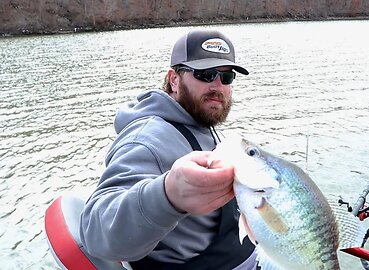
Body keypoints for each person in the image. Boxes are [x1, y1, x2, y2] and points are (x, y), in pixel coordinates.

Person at [79, 29, 257, 270]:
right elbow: (96, 230)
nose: (217, 86)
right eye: (205, 74)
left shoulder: (202, 122)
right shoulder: (145, 139)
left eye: (226, 78)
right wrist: (168, 194)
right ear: (174, 80)